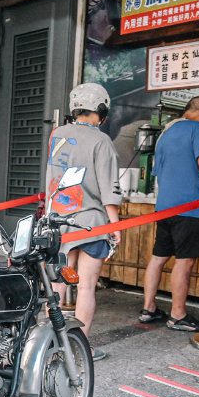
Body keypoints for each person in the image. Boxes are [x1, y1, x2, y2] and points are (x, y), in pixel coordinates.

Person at [46, 83, 122, 361]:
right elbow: (108, 188)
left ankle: (50, 343)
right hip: (91, 222)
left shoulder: (57, 135)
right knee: (87, 285)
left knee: (57, 284)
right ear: (101, 110)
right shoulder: (101, 141)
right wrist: (114, 225)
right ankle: (80, 347)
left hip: (58, 220)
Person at [140, 96, 199, 332]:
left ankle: (148, 308)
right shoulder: (197, 128)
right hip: (188, 208)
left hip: (165, 206)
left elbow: (157, 170)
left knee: (159, 258)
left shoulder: (165, 133)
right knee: (184, 261)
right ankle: (177, 315)